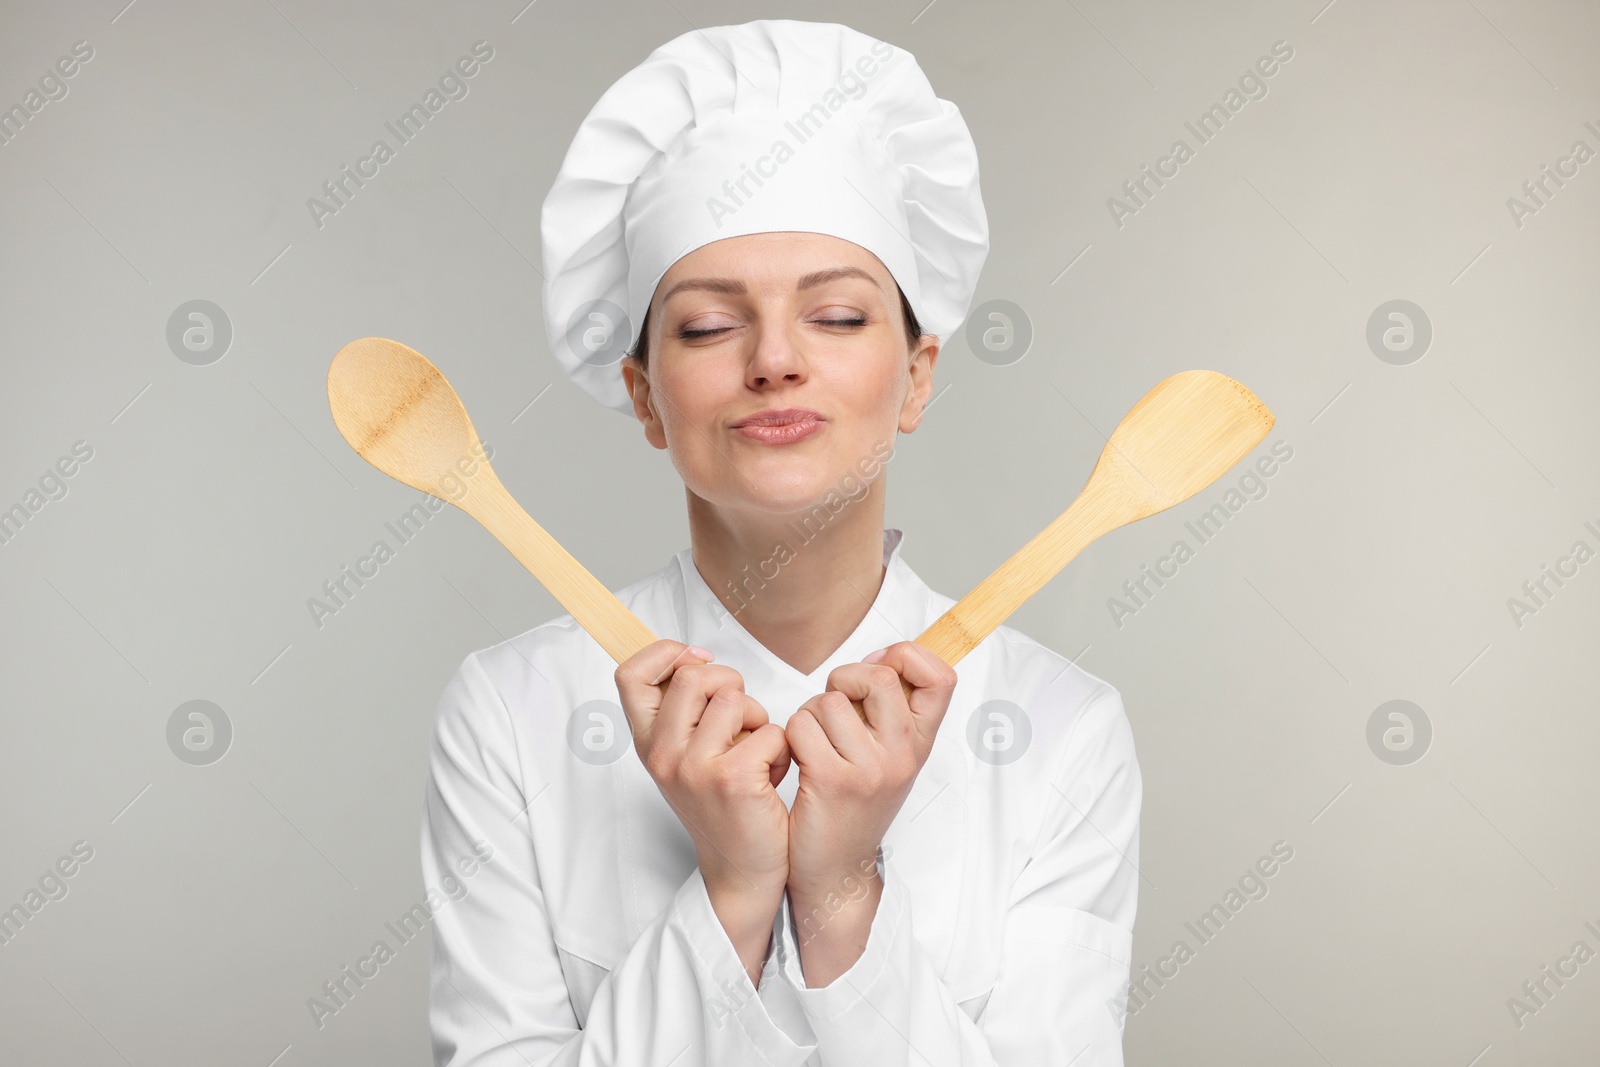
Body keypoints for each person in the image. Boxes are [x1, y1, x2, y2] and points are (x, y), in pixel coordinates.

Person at [420, 18, 1141, 1066]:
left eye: (838, 317)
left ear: (918, 375)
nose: (772, 361)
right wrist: (732, 884)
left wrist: (842, 892)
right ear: (646, 397)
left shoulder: (1061, 730)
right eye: (709, 326)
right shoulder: (508, 713)